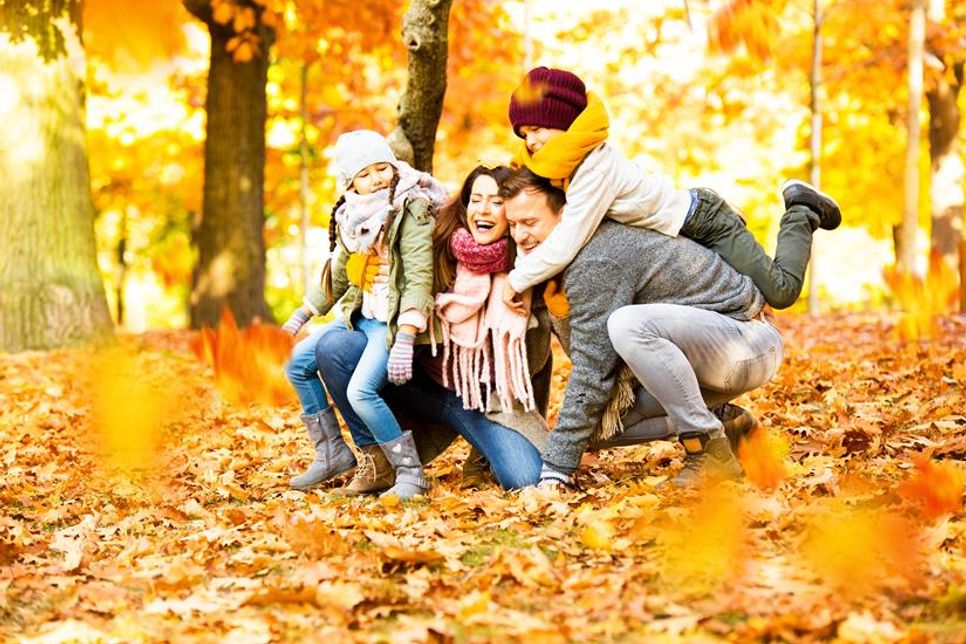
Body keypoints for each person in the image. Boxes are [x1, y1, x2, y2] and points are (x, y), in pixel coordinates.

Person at [499, 168, 784, 488]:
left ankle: (706, 449)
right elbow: (588, 360)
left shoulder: (596, 258)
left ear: (566, 215)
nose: (520, 235)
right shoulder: (547, 271)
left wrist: (555, 470)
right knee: (598, 426)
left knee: (628, 325)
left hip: (747, 342)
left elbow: (594, 370)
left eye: (530, 222)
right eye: (513, 224)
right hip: (706, 358)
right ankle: (722, 421)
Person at [501, 66, 841, 314]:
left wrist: (516, 280)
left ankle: (801, 210)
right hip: (681, 224)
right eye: (524, 134)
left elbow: (568, 239)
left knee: (780, 292)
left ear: (564, 122)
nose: (530, 142)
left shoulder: (594, 168)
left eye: (538, 129)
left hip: (704, 223)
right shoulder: (564, 170)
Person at [313, 166, 554, 495]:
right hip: (420, 382)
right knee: (335, 346)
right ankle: (380, 461)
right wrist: (364, 272)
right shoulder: (436, 245)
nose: (483, 210)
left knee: (526, 477)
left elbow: (537, 363)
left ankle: (483, 451)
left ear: (510, 211)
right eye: (476, 199)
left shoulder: (530, 266)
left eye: (496, 202)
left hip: (487, 402)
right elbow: (380, 250)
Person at [280, 129, 447, 499]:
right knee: (296, 364)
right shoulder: (351, 214)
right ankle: (332, 453)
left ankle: (409, 472)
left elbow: (420, 276)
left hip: (393, 323)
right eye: (365, 174)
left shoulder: (411, 207)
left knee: (361, 392)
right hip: (361, 315)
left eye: (381, 168)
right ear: (350, 182)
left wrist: (406, 336)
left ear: (393, 166)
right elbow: (339, 272)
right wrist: (301, 315)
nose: (377, 179)